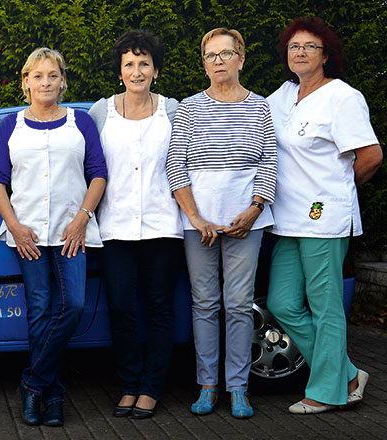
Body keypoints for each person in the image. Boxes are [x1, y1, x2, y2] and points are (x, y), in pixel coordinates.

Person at [265, 17, 382, 415]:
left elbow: (371, 155)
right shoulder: (282, 95)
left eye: (309, 46)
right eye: (294, 46)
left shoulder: (343, 97)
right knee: (282, 302)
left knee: (325, 305)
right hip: (286, 218)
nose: (300, 52)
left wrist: (337, 192)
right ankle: (346, 372)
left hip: (323, 218)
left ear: (325, 55)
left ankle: (327, 392)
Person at [0, 47, 107, 427]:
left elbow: (98, 173)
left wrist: (82, 218)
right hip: (29, 236)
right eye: (37, 76)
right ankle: (52, 396)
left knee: (72, 306)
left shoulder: (81, 122)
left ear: (62, 80)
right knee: (39, 312)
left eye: (52, 75)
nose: (45, 82)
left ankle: (32, 382)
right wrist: (15, 225)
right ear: (26, 82)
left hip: (72, 233)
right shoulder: (11, 125)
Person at [165, 28, 277, 419]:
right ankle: (208, 385)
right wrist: (195, 217)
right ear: (204, 63)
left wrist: (255, 209)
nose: (218, 61)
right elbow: (174, 164)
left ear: (241, 59)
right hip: (200, 225)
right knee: (205, 304)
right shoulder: (189, 109)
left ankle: (239, 388)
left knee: (239, 305)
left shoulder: (260, 107)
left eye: (225, 54)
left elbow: (268, 162)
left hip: (246, 222)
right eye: (210, 55)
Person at [88, 30, 181, 420]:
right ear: (120, 72)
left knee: (160, 307)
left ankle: (151, 387)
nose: (137, 71)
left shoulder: (173, 110)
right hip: (116, 227)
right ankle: (128, 384)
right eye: (129, 64)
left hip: (163, 225)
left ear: (156, 71)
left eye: (144, 63)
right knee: (122, 307)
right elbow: (87, 165)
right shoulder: (100, 111)